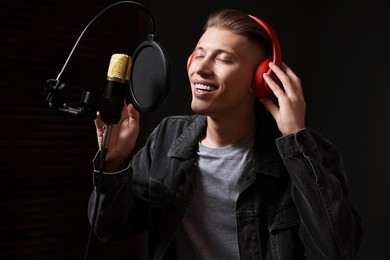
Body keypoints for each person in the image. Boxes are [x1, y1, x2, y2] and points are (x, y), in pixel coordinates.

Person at [87, 8, 363, 260]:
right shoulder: (167, 137)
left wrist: (295, 139)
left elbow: (337, 252)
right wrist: (114, 163)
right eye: (200, 54)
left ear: (260, 80)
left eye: (223, 59)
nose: (201, 69)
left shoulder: (307, 153)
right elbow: (108, 227)